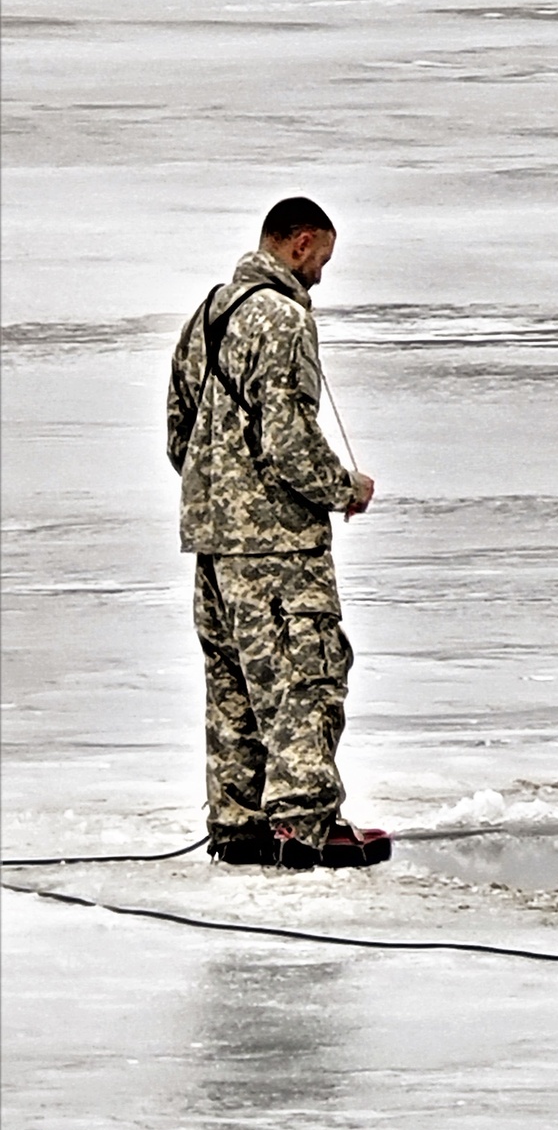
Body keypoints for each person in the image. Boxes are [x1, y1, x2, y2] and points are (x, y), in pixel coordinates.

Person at [167, 197, 375, 868]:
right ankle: (303, 826)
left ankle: (239, 824)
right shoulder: (283, 318)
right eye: (321, 260)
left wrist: (218, 490)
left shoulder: (210, 312)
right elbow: (287, 439)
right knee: (303, 676)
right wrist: (344, 487)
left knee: (233, 685)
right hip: (277, 543)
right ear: (299, 243)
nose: (320, 274)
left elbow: (179, 427)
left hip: (212, 539)